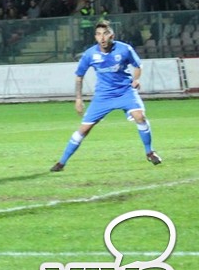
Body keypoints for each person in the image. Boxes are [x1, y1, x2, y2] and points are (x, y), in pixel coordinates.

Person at [50, 20, 161, 172]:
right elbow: (79, 76)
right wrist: (78, 99)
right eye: (98, 34)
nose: (102, 38)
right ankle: (62, 162)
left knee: (140, 117)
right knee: (84, 129)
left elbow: (138, 66)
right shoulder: (90, 54)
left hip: (125, 91)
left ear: (112, 36)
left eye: (105, 34)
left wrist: (136, 79)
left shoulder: (124, 49)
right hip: (103, 96)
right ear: (95, 37)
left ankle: (150, 152)